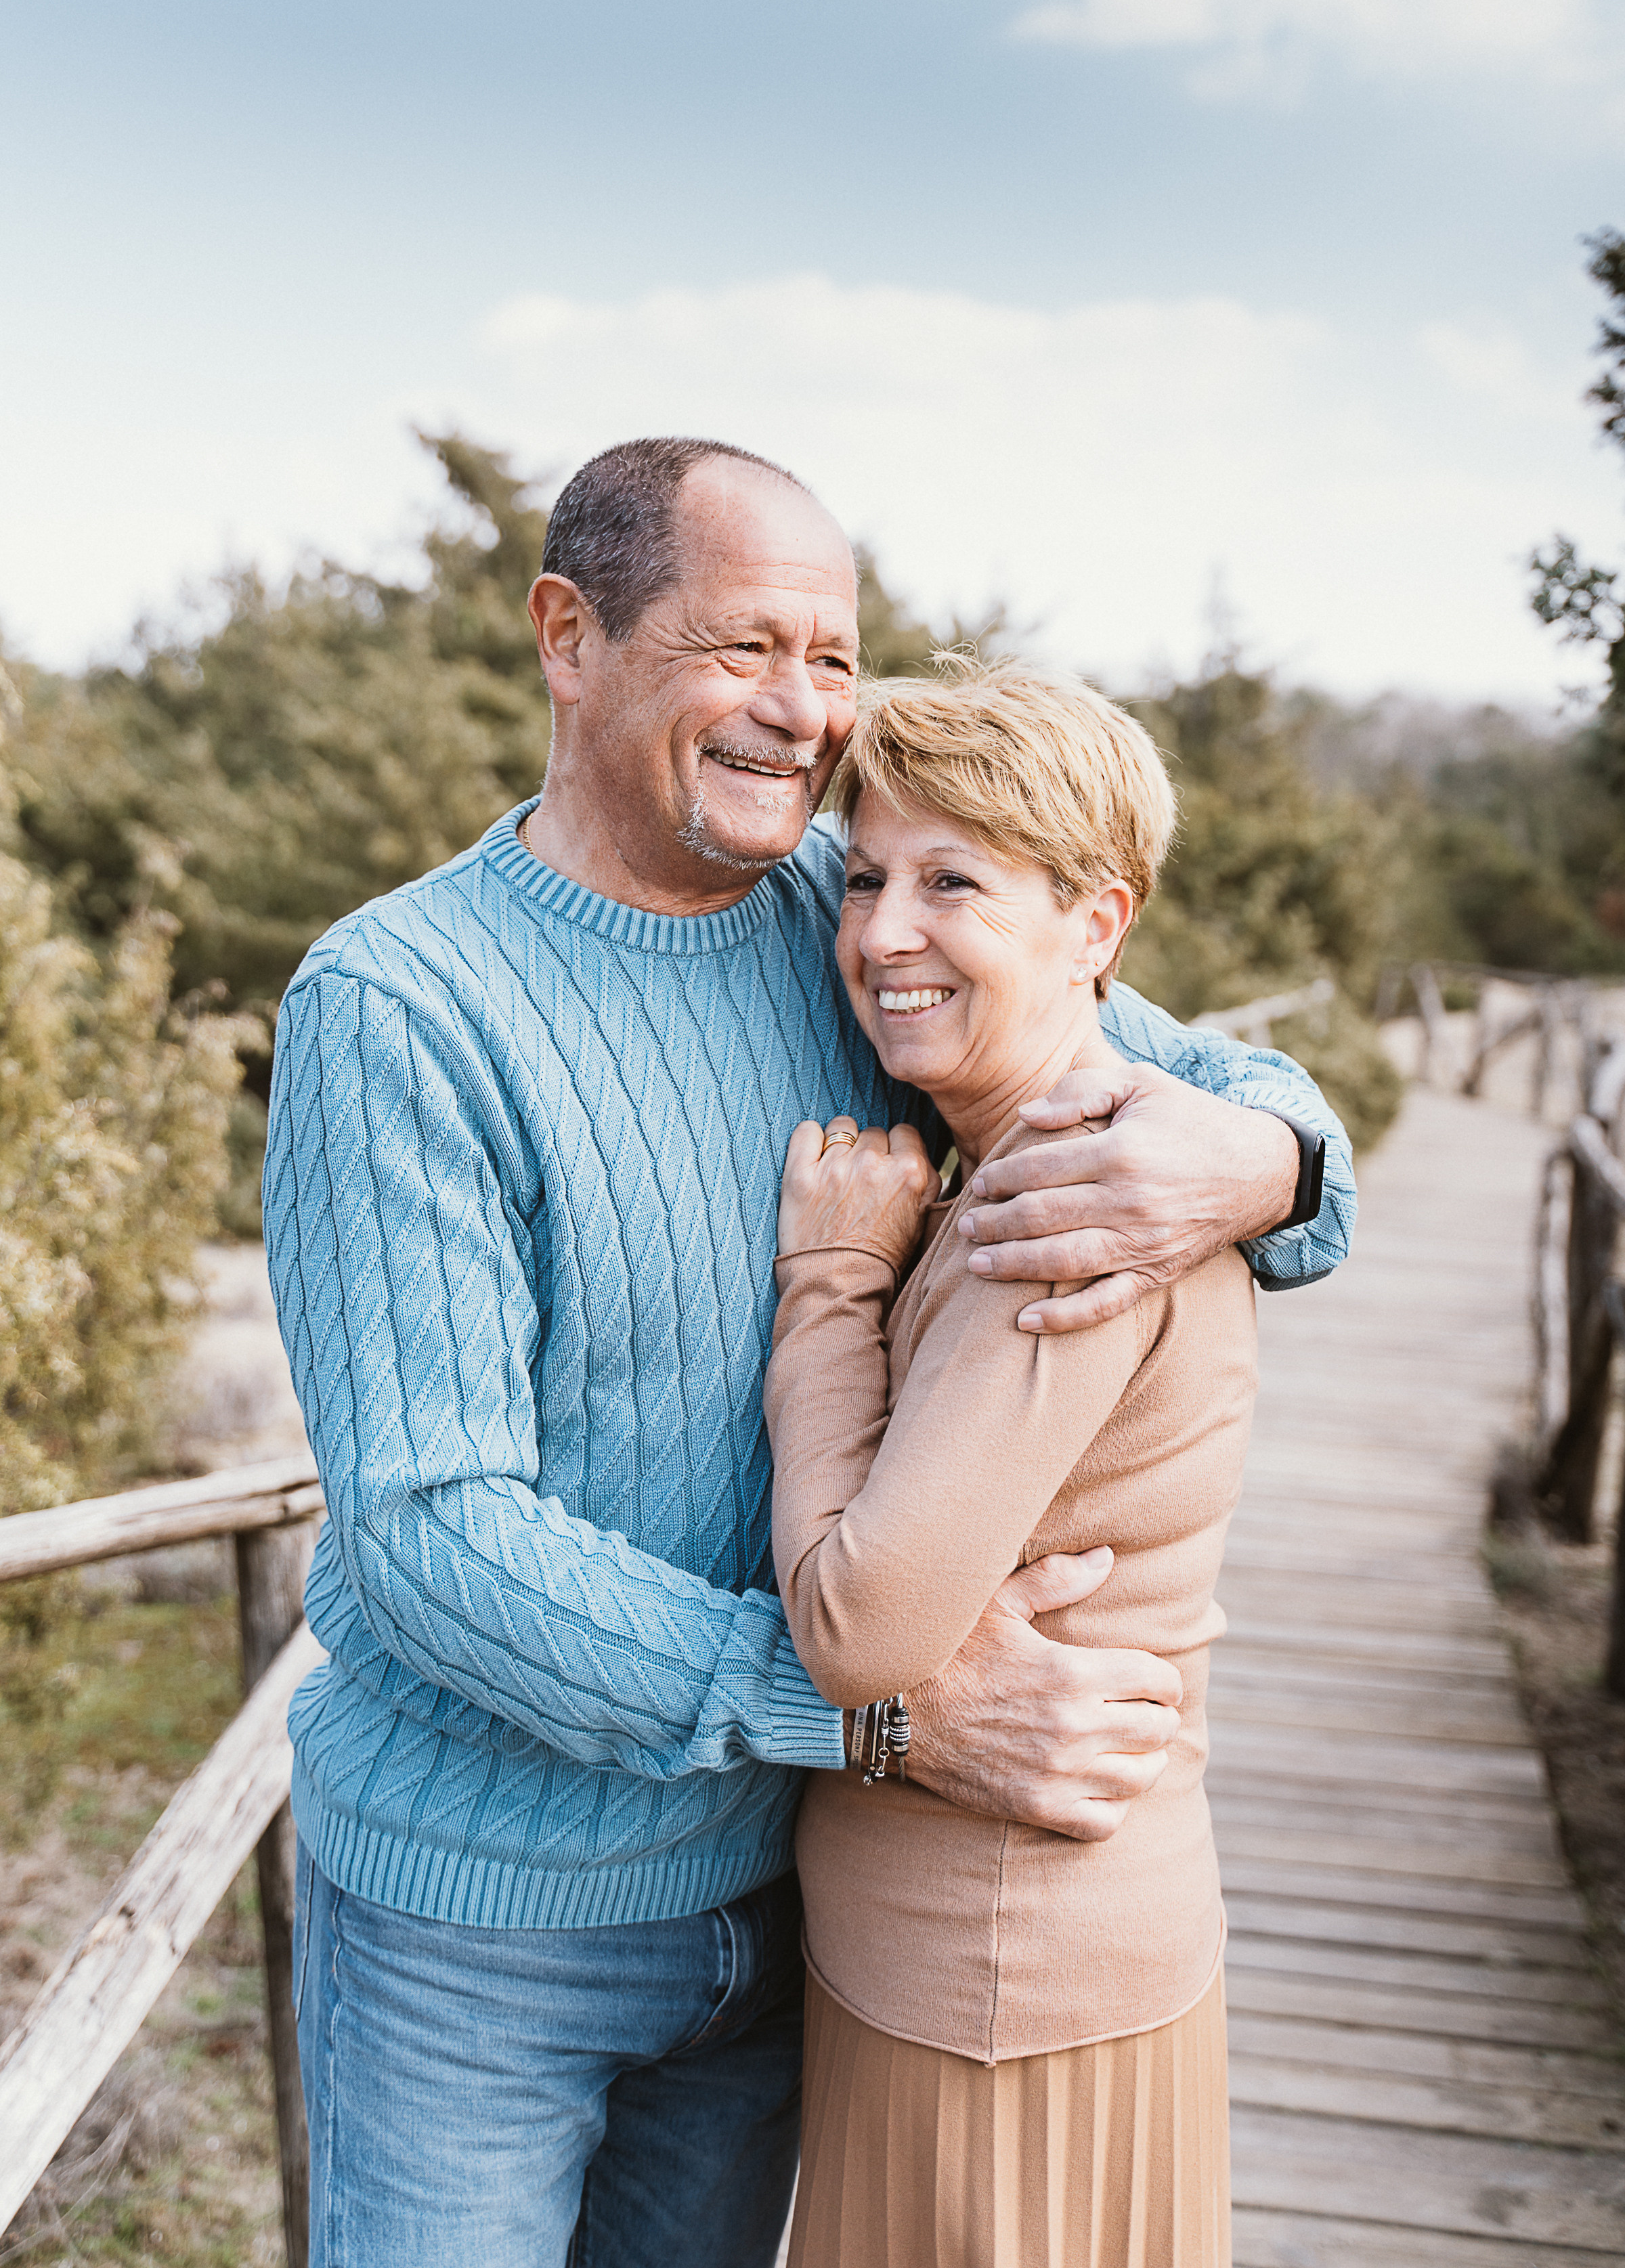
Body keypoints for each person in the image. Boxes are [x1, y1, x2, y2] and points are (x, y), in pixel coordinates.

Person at [263, 437, 1353, 2268]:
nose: (802, 713)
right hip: (486, 1930)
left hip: (782, 1912)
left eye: (836, 660)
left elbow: (1159, 1053)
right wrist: (876, 1715)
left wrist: (1274, 1158)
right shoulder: (402, 1009)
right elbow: (435, 1536)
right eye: (742, 647)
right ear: (567, 633)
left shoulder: (853, 921)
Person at [766, 662, 1257, 2268]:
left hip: (995, 1987)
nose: (882, 933)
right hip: (974, 1968)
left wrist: (833, 1283)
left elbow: (859, 1633)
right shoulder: (1065, 1149)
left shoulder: (1067, 1201)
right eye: (866, 879)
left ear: (1097, 925)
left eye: (951, 882)